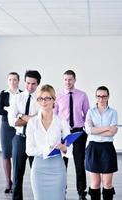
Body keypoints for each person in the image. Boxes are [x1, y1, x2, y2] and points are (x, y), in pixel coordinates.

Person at [26, 84, 71, 200]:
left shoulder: (61, 122)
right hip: (38, 169)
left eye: (48, 98)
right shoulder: (32, 123)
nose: (44, 102)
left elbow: (70, 148)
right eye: (41, 98)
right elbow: (29, 150)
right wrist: (48, 148)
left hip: (57, 169)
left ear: (54, 100)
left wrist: (63, 148)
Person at [54, 70, 90, 200]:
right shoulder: (57, 96)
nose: (67, 82)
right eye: (65, 79)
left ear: (75, 80)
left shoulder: (82, 95)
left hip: (78, 132)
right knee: (62, 164)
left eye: (70, 79)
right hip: (63, 134)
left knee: (79, 163)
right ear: (63, 80)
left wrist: (87, 129)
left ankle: (81, 193)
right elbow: (55, 116)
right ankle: (61, 192)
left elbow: (87, 114)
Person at [8, 70, 41, 200]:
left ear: (38, 84)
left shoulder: (41, 100)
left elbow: (40, 121)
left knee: (37, 174)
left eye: (33, 84)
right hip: (20, 139)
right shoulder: (17, 98)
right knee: (17, 175)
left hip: (36, 140)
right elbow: (12, 122)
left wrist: (21, 115)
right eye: (28, 83)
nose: (30, 86)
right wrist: (30, 118)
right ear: (24, 82)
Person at [85, 86, 118, 200]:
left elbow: (113, 132)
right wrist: (107, 128)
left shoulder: (113, 112)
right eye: (99, 96)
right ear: (96, 97)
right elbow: (89, 130)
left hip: (107, 148)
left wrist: (96, 130)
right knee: (95, 184)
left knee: (107, 184)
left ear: (108, 96)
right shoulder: (90, 111)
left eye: (104, 96)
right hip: (93, 148)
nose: (101, 99)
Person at [0, 72, 21, 193]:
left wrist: (12, 110)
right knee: (6, 154)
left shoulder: (22, 94)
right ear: (8, 81)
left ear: (18, 81)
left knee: (17, 155)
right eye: (10, 79)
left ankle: (16, 181)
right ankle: (8, 182)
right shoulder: (4, 93)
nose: (12, 82)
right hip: (6, 126)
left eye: (15, 79)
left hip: (19, 126)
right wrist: (11, 110)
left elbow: (23, 110)